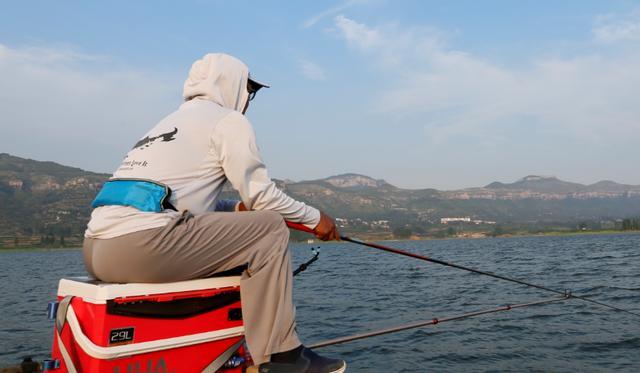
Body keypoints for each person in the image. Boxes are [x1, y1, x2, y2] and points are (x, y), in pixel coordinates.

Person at [83, 53, 346, 373]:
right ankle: (282, 356)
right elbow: (263, 196)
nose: (249, 99)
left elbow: (178, 202)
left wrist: (236, 208)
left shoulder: (168, 123)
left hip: (97, 250)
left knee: (256, 221)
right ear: (230, 84)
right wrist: (316, 218)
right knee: (271, 227)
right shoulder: (228, 120)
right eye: (249, 89)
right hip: (144, 246)